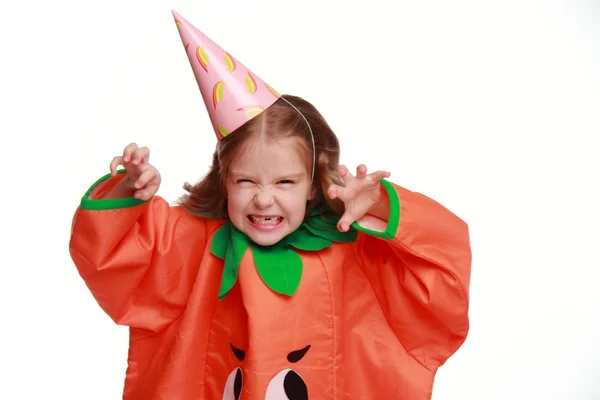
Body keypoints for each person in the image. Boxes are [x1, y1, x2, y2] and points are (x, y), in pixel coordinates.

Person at [69, 9, 472, 400]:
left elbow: (439, 271)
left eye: (285, 181)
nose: (264, 198)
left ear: (313, 182)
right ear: (224, 179)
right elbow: (113, 258)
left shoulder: (355, 250)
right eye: (245, 180)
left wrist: (380, 205)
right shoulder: (188, 243)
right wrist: (128, 189)